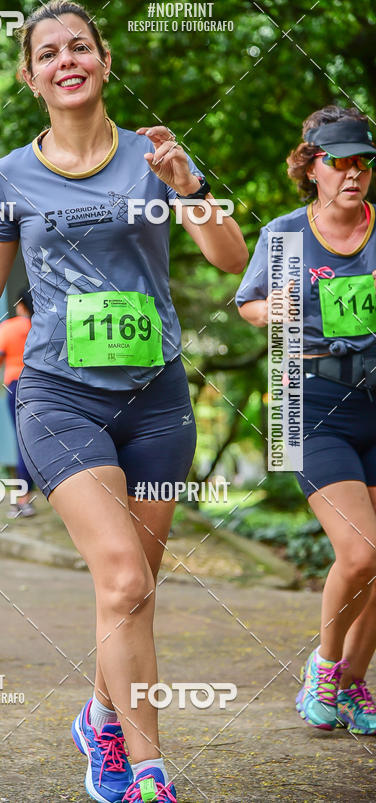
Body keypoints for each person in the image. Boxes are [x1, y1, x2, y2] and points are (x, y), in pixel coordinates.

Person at [0, 0, 248, 802]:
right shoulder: (10, 175)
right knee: (122, 577)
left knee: (134, 582)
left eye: (81, 46)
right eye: (49, 52)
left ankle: (103, 715)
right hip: (58, 396)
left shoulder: (156, 152)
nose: (66, 59)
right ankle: (150, 775)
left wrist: (191, 185)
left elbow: (227, 257)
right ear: (30, 74)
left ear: (105, 63)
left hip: (158, 397)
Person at [236, 105, 376, 735]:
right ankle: (324, 664)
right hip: (311, 401)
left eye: (362, 161)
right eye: (338, 160)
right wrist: (273, 310)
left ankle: (352, 685)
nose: (352, 172)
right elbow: (248, 305)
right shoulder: (286, 234)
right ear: (311, 166)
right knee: (361, 550)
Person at [0, 287, 36, 517]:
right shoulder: (45, 324)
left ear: (20, 305)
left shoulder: (8, 327)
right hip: (47, 385)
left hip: (18, 385)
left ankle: (22, 499)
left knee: (23, 441)